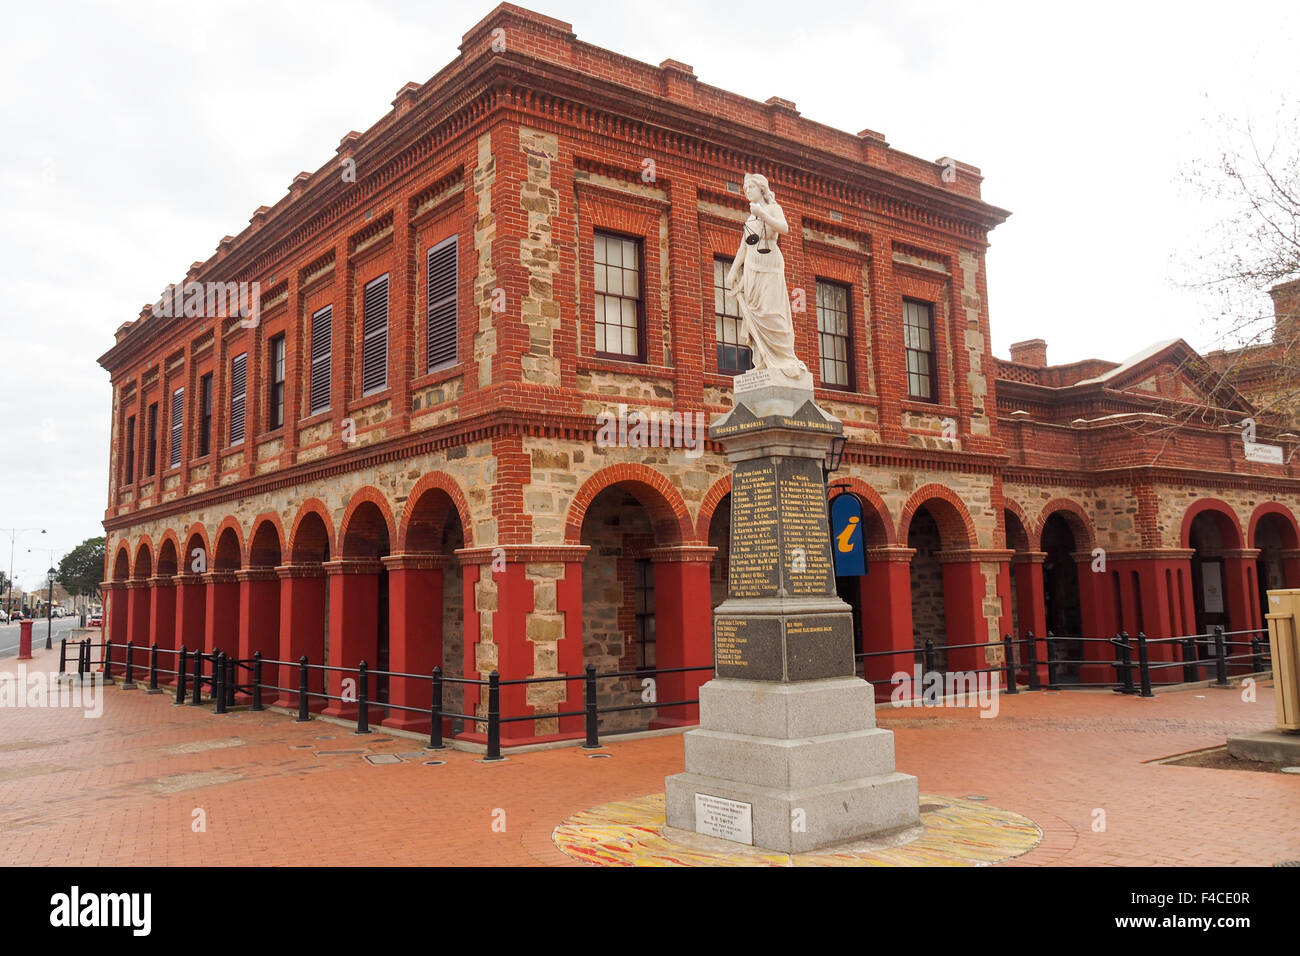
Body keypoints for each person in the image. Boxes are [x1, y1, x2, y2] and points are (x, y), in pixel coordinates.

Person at [725, 172, 808, 378]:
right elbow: (744, 247)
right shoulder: (749, 217)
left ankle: (785, 358)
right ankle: (763, 358)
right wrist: (734, 271)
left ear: (761, 189)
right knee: (755, 312)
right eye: (744, 190)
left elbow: (784, 228)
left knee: (771, 311)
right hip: (752, 268)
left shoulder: (772, 209)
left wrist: (762, 214)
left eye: (750, 188)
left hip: (770, 263)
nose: (746, 193)